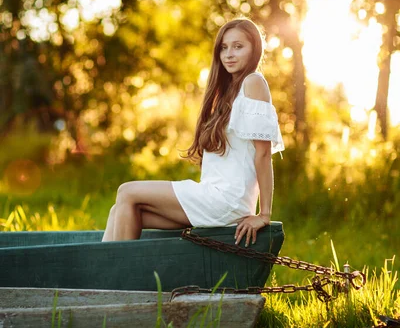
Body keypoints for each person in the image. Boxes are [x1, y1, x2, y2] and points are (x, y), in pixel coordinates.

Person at [102, 17, 284, 246]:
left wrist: (264, 214)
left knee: (126, 191)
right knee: (120, 209)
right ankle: (103, 279)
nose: (229, 54)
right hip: (211, 193)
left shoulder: (253, 82)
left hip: (227, 199)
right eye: (224, 48)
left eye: (238, 47)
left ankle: (117, 279)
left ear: (254, 49)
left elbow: (263, 153)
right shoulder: (227, 94)